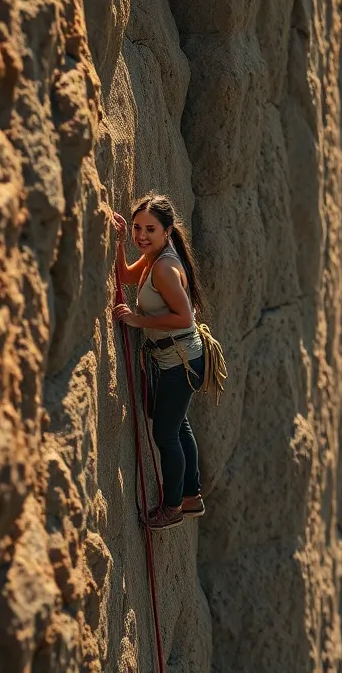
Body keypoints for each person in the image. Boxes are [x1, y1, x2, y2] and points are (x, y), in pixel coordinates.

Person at [112, 192, 208, 531]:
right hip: (180, 358)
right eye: (138, 228)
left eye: (150, 229)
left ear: (167, 231)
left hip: (179, 361)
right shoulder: (154, 257)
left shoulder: (165, 267)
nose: (142, 236)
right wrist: (121, 241)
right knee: (177, 424)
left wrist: (139, 322)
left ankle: (173, 507)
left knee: (165, 433)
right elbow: (124, 275)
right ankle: (191, 497)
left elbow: (183, 318)